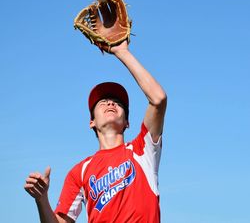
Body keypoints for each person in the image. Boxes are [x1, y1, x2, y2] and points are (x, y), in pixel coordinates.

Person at [24, 40, 167, 222]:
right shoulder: (80, 172)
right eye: (103, 102)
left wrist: (122, 52)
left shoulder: (143, 150)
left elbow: (158, 99)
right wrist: (42, 199)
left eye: (118, 103)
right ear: (92, 122)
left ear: (127, 123)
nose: (110, 103)